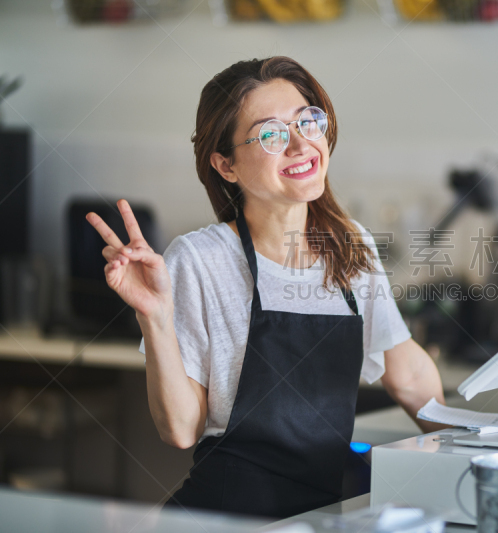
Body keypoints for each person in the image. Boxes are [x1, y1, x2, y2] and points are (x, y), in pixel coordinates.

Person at [86, 56, 445, 519]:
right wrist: (154, 318)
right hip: (222, 518)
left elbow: (408, 373)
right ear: (226, 165)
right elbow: (180, 429)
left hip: (318, 517)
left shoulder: (349, 245)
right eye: (272, 134)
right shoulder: (200, 259)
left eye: (307, 121)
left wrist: (475, 447)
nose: (300, 144)